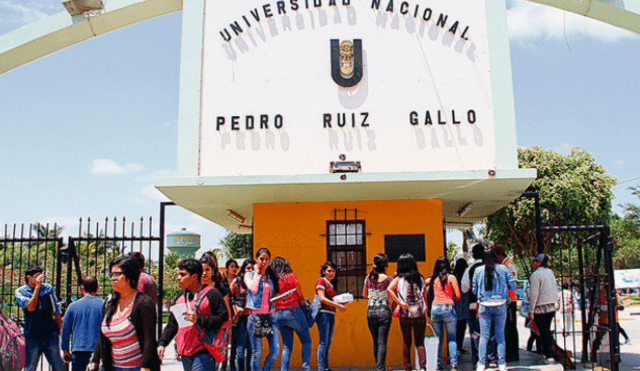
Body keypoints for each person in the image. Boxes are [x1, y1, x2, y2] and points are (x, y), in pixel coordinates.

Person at [89, 256, 161, 371]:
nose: (113, 278)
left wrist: (145, 367)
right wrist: (95, 360)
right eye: (111, 275)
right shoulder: (109, 303)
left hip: (136, 367)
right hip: (112, 367)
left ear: (129, 276)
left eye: (117, 274)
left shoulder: (144, 303)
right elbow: (103, 335)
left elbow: (149, 340)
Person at [158, 258, 229, 371]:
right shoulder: (180, 297)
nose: (178, 278)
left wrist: (199, 320)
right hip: (185, 353)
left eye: (182, 275)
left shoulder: (212, 294)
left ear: (194, 276)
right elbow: (173, 323)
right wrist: (162, 343)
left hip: (204, 352)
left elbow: (223, 318)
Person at [472, 249, 516, 371]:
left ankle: (481, 363)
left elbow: (474, 291)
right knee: (500, 335)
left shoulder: (478, 270)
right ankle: (502, 363)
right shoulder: (503, 268)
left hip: (484, 305)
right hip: (500, 304)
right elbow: (513, 285)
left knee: (484, 335)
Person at [15, 265, 65, 371]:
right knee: (31, 366)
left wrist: (59, 328)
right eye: (37, 276)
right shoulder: (21, 292)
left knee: (58, 366)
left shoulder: (47, 288)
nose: (40, 279)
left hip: (50, 333)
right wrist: (37, 288)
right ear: (29, 278)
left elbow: (56, 309)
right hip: (33, 335)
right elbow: (30, 307)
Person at [270, 257, 311, 371]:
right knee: (306, 341)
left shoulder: (272, 280)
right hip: (293, 311)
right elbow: (299, 293)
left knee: (287, 347)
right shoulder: (290, 276)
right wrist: (303, 304)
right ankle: (306, 368)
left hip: (279, 314)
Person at [388, 253, 427, 371]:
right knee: (420, 341)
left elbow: (389, 289)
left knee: (406, 341)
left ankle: (407, 366)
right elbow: (424, 295)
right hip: (419, 313)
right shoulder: (420, 277)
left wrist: (400, 303)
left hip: (405, 313)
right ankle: (423, 367)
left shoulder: (399, 279)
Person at [245, 248, 280, 371]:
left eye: (266, 259)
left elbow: (271, 295)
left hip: (270, 315)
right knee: (257, 352)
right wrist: (257, 273)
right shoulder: (249, 275)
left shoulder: (270, 277)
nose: (264, 262)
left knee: (276, 348)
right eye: (261, 259)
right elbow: (253, 289)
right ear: (256, 259)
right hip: (255, 317)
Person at [61, 276, 105, 371]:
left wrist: (65, 349)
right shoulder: (104, 305)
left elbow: (65, 329)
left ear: (82, 288)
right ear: (97, 288)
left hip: (78, 350)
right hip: (99, 351)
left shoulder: (72, 306)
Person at [427, 257, 461, 371]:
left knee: (438, 338)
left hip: (435, 308)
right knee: (452, 337)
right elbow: (458, 295)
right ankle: (453, 364)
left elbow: (424, 286)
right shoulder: (451, 278)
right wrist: (451, 301)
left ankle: (437, 363)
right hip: (448, 308)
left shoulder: (433, 279)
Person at [362, 254, 392, 371]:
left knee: (375, 342)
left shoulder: (368, 278)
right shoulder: (389, 279)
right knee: (382, 342)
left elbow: (364, 295)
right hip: (384, 311)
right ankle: (380, 368)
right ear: (385, 266)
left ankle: (379, 366)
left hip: (370, 311)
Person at [316, 261, 347, 371]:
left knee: (328, 342)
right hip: (323, 314)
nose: (331, 273)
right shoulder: (321, 281)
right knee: (323, 342)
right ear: (323, 271)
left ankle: (325, 367)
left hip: (331, 314)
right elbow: (322, 298)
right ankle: (321, 367)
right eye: (329, 271)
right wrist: (337, 305)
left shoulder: (331, 284)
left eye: (333, 271)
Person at [528, 253, 558, 364]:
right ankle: (547, 353)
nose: (533, 264)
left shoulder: (535, 275)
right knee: (546, 331)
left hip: (540, 308)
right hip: (550, 306)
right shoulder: (550, 273)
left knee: (543, 332)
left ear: (539, 262)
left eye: (534, 261)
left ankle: (548, 355)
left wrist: (531, 310)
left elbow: (534, 294)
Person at [460, 244, 486, 367]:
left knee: (475, 333)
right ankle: (491, 359)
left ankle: (477, 360)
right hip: (490, 304)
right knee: (490, 333)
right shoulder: (491, 267)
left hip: (473, 304)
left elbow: (464, 288)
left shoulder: (470, 269)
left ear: (473, 255)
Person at [493, 245, 519, 362]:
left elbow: (512, 282)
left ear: (499, 256)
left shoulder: (508, 265)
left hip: (510, 300)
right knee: (506, 328)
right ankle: (508, 353)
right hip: (505, 299)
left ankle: (513, 354)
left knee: (511, 327)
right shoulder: (504, 265)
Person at [230, 259, 254, 371]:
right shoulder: (237, 281)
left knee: (250, 347)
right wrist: (235, 307)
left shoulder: (256, 282)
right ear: (244, 269)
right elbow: (229, 297)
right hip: (241, 317)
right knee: (241, 346)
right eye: (248, 268)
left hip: (253, 316)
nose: (250, 270)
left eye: (252, 268)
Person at [225, 259, 240, 371]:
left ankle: (232, 363)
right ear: (227, 268)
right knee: (224, 339)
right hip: (224, 312)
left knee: (234, 339)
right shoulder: (223, 280)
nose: (234, 269)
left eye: (236, 267)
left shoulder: (238, 280)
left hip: (235, 311)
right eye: (232, 266)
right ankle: (223, 363)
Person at [452, 257, 469, 355]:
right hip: (465, 304)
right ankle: (460, 346)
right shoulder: (466, 276)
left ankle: (456, 348)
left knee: (455, 329)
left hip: (456, 305)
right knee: (462, 328)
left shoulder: (454, 276)